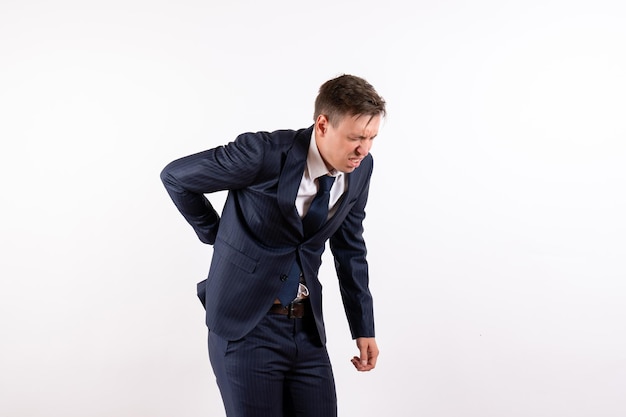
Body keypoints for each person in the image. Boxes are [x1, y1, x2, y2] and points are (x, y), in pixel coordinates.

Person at [160, 74, 386, 417]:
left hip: (307, 330)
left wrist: (363, 326)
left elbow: (350, 247)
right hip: (246, 328)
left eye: (371, 138)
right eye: (355, 137)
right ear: (323, 125)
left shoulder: (361, 168)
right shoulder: (262, 153)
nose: (363, 149)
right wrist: (216, 234)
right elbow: (176, 177)